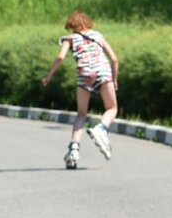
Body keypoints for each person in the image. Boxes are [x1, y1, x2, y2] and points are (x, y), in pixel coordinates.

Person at [41, 11, 119, 169]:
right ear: (87, 22)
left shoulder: (69, 39)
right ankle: (101, 128)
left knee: (81, 114)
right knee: (112, 108)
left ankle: (73, 152)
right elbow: (114, 58)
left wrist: (49, 76)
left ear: (71, 25)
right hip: (103, 72)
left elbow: (60, 57)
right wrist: (115, 79)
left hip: (84, 75)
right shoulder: (98, 36)